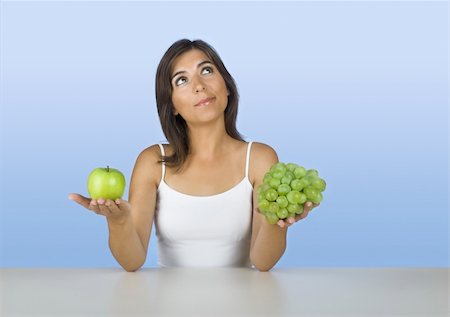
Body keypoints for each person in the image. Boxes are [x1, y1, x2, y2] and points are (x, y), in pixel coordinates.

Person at [68, 39, 319, 272]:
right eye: (181, 80)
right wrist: (119, 222)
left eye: (207, 71)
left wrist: (278, 222)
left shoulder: (260, 158)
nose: (199, 86)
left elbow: (263, 262)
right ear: (172, 105)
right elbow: (132, 261)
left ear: (227, 87)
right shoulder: (153, 162)